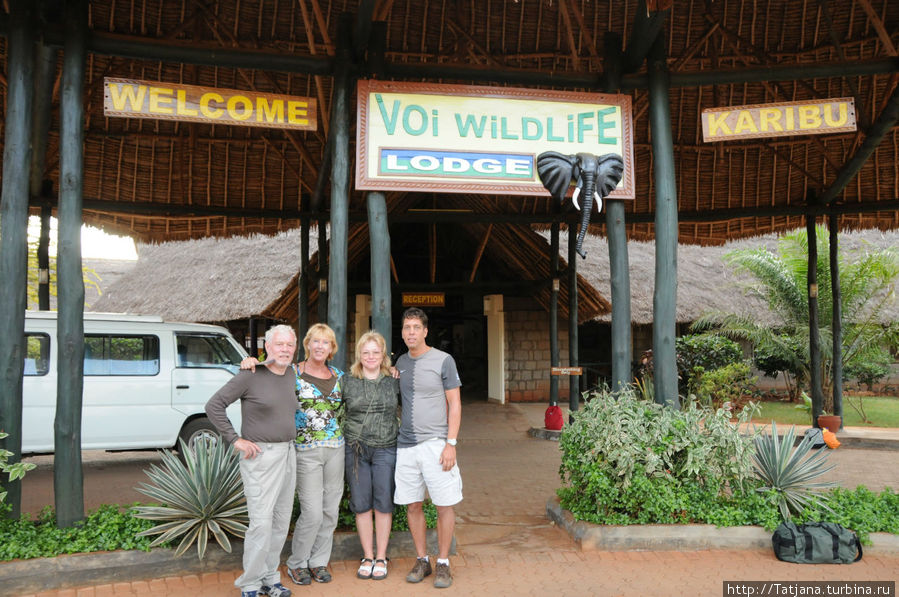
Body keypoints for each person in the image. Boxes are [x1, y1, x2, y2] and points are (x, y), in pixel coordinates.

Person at [243, 323, 345, 586]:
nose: (321, 346)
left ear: (332, 348)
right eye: (316, 341)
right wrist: (252, 360)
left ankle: (319, 561)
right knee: (312, 512)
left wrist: (391, 370)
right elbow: (267, 371)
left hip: (336, 448)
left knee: (330, 509)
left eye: (326, 342)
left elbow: (367, 377)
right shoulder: (292, 372)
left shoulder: (339, 375)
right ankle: (298, 562)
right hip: (304, 449)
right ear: (308, 345)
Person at [205, 324, 298, 597]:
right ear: (267, 347)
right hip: (261, 457)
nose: (284, 349)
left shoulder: (291, 372)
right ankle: (251, 584)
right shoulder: (250, 374)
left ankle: (270, 578)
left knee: (281, 521)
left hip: (288, 453)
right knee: (261, 523)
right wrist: (235, 439)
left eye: (289, 345)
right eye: (279, 344)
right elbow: (214, 405)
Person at [393, 308, 462, 589]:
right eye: (406, 327)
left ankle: (443, 562)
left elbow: (455, 403)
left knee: (444, 504)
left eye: (415, 327)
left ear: (425, 331)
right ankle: (423, 559)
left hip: (436, 444)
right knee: (413, 505)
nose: (411, 332)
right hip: (405, 446)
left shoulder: (444, 360)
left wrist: (451, 443)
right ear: (402, 332)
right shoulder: (400, 362)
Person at [342, 331, 400, 581]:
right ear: (359, 355)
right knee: (362, 503)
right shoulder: (347, 380)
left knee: (383, 502)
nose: (371, 356)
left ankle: (382, 556)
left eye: (376, 352)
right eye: (366, 352)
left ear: (383, 354)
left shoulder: (393, 380)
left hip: (386, 447)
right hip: (356, 449)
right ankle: (367, 555)